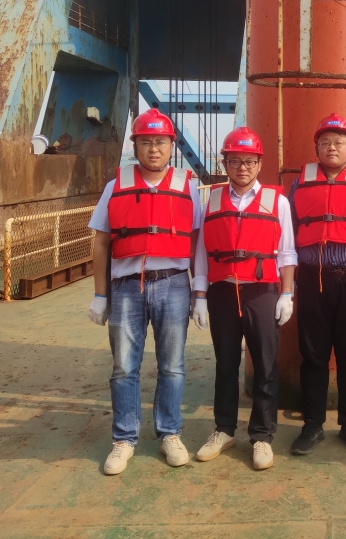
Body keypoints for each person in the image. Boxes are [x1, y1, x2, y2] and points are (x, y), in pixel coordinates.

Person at [87, 108, 203, 475]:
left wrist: (199, 293)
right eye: (147, 142)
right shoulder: (115, 186)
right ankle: (124, 439)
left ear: (171, 146)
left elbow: (196, 242)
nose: (154, 149)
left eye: (161, 142)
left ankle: (170, 433)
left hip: (174, 284)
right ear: (135, 146)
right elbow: (101, 243)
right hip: (126, 287)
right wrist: (100, 294)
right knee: (124, 367)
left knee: (172, 366)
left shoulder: (188, 187)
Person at [191, 127, 297, 471]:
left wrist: (286, 294)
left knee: (265, 365)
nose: (242, 167)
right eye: (235, 161)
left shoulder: (278, 202)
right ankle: (223, 430)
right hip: (223, 291)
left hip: (261, 292)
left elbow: (287, 252)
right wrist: (200, 296)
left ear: (259, 163)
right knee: (225, 364)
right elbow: (202, 253)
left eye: (249, 161)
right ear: (225, 163)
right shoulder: (211, 203)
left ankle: (262, 436)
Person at [287, 113, 346, 455]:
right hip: (311, 279)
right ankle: (312, 425)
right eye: (325, 142)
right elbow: (289, 231)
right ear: (316, 147)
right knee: (312, 354)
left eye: (339, 142)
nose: (332, 147)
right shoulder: (299, 184)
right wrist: (288, 286)